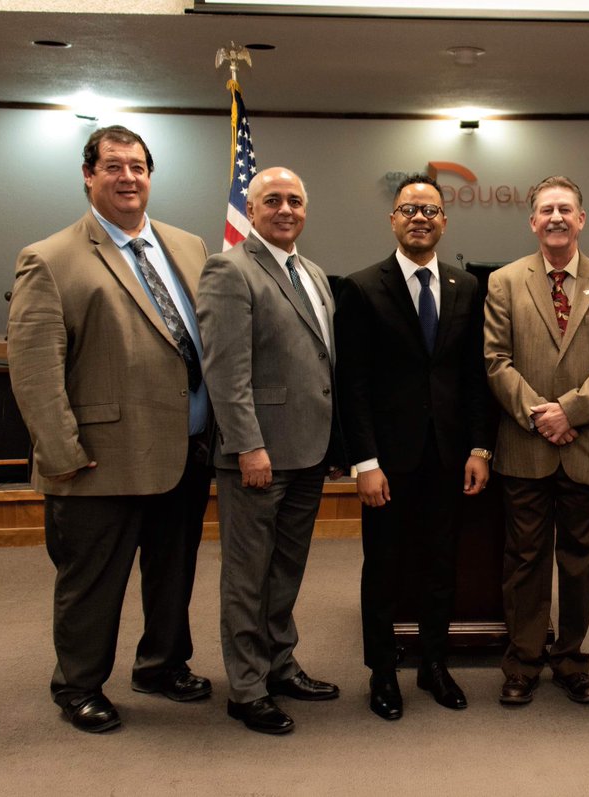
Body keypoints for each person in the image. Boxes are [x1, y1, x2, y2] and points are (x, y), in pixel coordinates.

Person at [8, 125, 213, 733]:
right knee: (93, 582)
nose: (129, 177)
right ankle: (78, 686)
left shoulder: (189, 245)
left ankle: (161, 664)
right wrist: (61, 453)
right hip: (99, 456)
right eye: (114, 166)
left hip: (186, 448)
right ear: (89, 174)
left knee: (173, 573)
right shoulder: (50, 258)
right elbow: (35, 370)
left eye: (139, 166)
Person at [335, 174, 494, 721]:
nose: (420, 217)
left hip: (449, 457)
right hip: (387, 461)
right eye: (409, 209)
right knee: (383, 567)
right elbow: (351, 383)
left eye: (430, 209)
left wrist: (480, 447)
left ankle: (433, 663)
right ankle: (382, 671)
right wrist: (365, 461)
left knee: (440, 564)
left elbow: (474, 374)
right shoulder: (360, 287)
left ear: (444, 221)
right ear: (393, 220)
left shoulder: (465, 287)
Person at [196, 167, 342, 735]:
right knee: (247, 577)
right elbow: (225, 371)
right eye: (272, 200)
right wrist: (247, 446)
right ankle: (248, 688)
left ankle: (280, 664)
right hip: (258, 457)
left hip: (308, 452)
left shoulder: (312, 272)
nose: (285, 209)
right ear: (250, 211)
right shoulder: (229, 270)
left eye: (295, 200)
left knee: (285, 571)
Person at [484, 175, 589, 706]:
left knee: (579, 562)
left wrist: (568, 412)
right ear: (532, 221)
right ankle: (523, 662)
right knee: (524, 561)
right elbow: (495, 360)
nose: (556, 217)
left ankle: (571, 660)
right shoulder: (503, 282)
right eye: (546, 210)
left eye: (565, 210)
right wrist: (539, 416)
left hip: (587, 449)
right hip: (525, 448)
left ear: (581, 219)